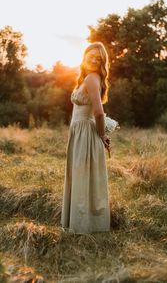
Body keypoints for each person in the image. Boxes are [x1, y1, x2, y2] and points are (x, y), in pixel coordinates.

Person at [60, 41, 111, 234]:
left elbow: (98, 113)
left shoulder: (92, 78)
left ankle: (83, 226)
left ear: (102, 62)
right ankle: (82, 223)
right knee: (82, 177)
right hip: (80, 132)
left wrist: (102, 134)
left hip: (85, 133)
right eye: (92, 56)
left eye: (99, 58)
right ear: (84, 56)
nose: (94, 60)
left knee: (82, 178)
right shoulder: (88, 78)